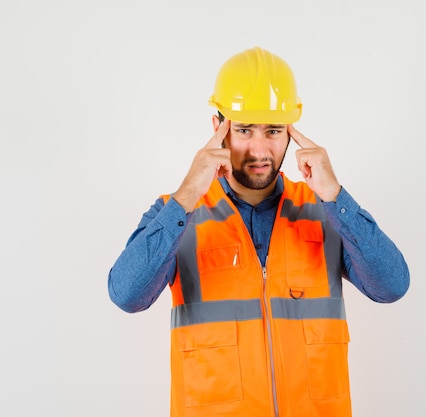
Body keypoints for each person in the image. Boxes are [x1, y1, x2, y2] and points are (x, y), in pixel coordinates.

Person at [108, 46, 410, 417]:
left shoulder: (325, 212)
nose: (259, 148)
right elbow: (127, 294)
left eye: (272, 130)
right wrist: (187, 194)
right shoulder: (177, 214)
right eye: (244, 129)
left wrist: (335, 196)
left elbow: (392, 285)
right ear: (218, 128)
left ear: (290, 132)